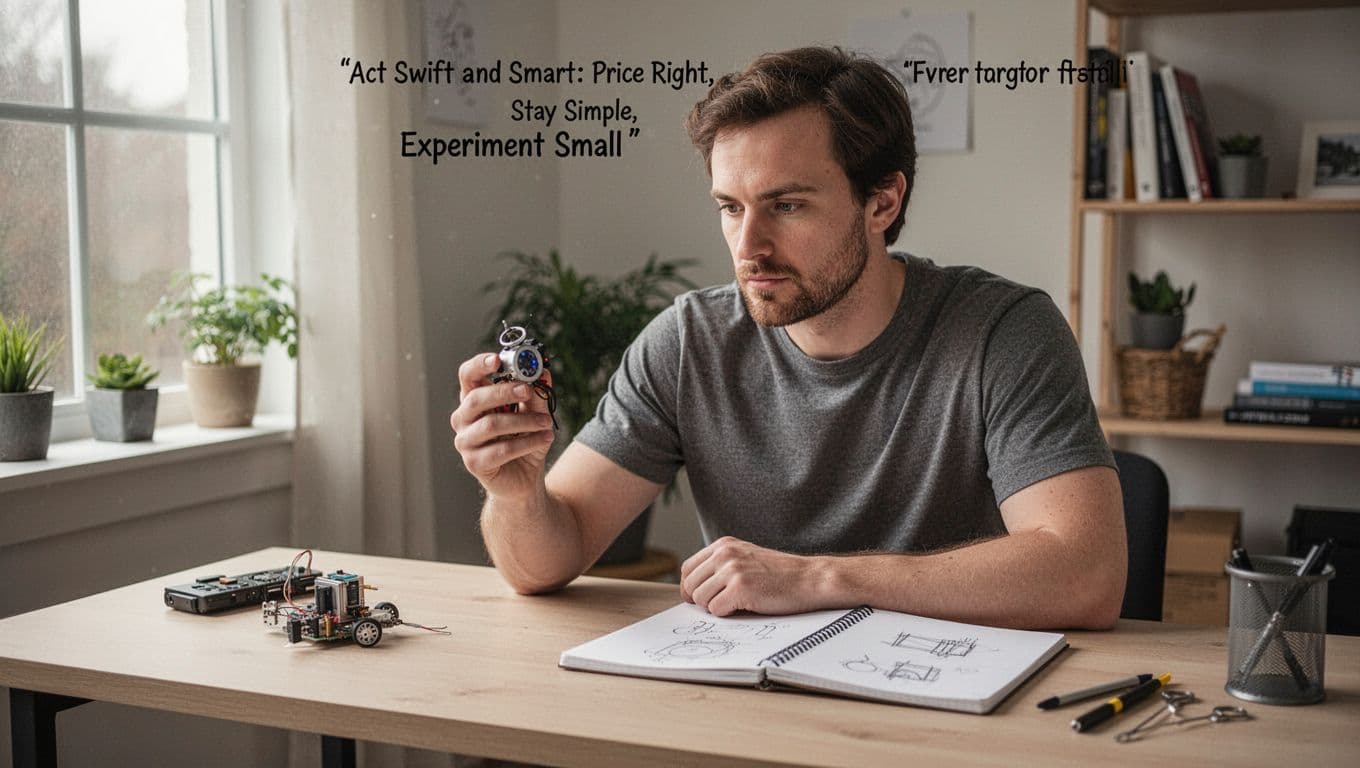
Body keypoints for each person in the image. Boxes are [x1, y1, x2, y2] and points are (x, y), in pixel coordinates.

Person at [451, 46, 1126, 630]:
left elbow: (1086, 574)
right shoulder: (688, 343)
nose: (750, 247)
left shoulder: (1003, 332)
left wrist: (818, 580)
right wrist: (516, 494)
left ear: (882, 203)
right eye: (730, 208)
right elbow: (544, 563)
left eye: (787, 205)